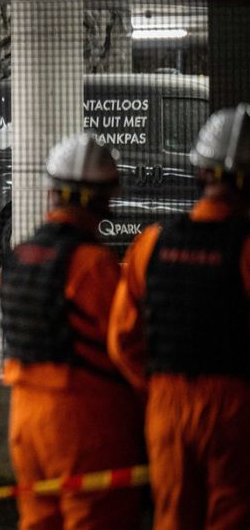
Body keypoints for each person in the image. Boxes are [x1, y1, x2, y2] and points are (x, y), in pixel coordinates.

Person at [109, 105, 250, 530]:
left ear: (200, 172)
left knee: (172, 517)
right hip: (234, 404)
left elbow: (122, 340)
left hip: (166, 405)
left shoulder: (152, 243)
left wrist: (156, 387)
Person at [0, 134, 145, 530]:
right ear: (104, 197)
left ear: (52, 192)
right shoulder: (93, 265)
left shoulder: (19, 257)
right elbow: (127, 343)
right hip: (85, 422)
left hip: (25, 420)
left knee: (38, 521)